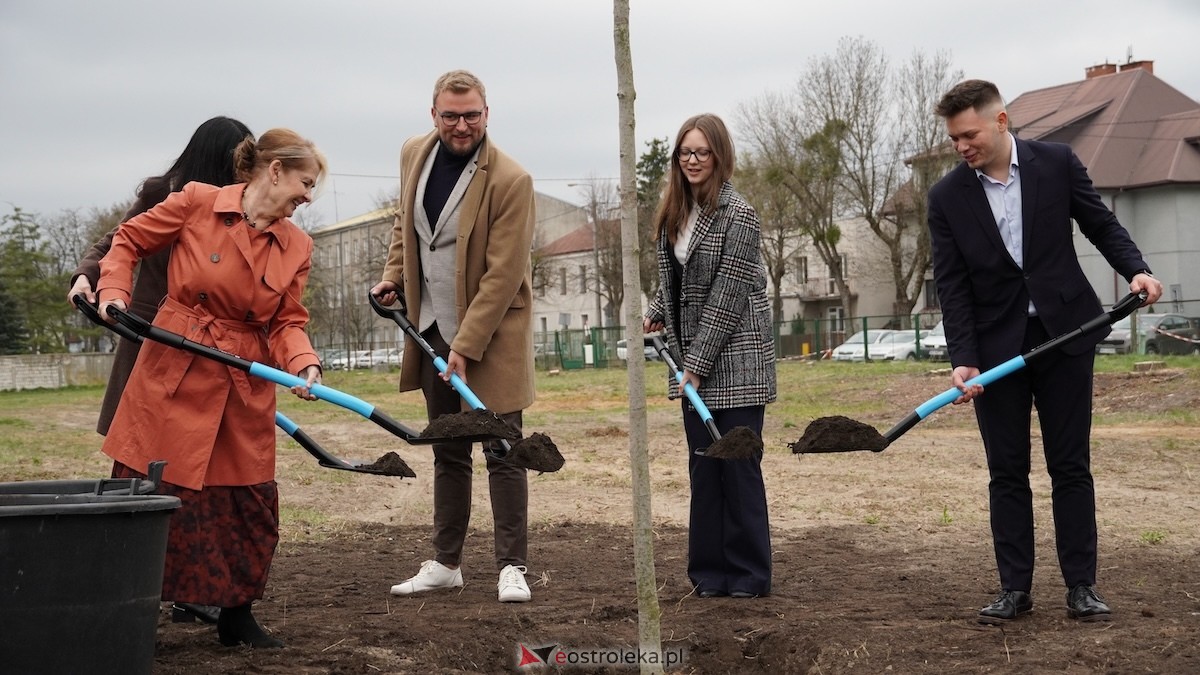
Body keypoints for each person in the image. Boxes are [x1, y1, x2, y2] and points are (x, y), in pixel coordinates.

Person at [927, 79, 1163, 625]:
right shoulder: (945, 198)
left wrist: (1136, 269)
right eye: (954, 139)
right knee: (1006, 471)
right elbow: (952, 284)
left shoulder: (1056, 163)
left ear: (1001, 121)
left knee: (1070, 465)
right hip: (995, 351)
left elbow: (1100, 224)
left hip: (1066, 335)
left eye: (970, 134)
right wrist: (964, 358)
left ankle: (1082, 586)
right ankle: (1015, 589)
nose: (962, 147)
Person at [96, 127, 327, 648]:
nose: (307, 198)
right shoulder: (198, 202)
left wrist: (304, 365)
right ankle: (127, 608)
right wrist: (113, 289)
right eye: (305, 183)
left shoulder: (298, 245)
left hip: (242, 380)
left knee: (247, 502)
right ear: (275, 171)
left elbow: (287, 321)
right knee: (154, 494)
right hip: (175, 366)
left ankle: (235, 615)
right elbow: (128, 240)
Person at [68, 115, 253, 627]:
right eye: (241, 157)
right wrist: (88, 278)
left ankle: (193, 586)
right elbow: (114, 243)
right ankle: (131, 580)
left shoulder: (244, 207)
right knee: (146, 469)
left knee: (205, 477)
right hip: (153, 343)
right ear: (221, 156)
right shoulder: (167, 193)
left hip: (213, 357)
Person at [370, 70, 537, 603]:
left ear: (487, 113)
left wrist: (465, 347)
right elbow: (405, 227)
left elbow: (503, 274)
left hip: (490, 338)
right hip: (429, 330)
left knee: (503, 448)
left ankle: (512, 567)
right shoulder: (413, 155)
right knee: (448, 449)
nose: (461, 125)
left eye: (472, 115)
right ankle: (446, 563)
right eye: (450, 115)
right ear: (433, 114)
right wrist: (393, 276)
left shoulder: (511, 179)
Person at [642, 113, 776, 599]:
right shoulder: (677, 209)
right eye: (684, 152)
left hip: (736, 360)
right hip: (692, 361)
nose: (692, 160)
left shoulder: (738, 214)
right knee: (704, 468)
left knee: (737, 466)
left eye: (701, 152)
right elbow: (678, 279)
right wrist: (659, 310)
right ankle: (709, 575)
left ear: (720, 155)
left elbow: (726, 296)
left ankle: (748, 576)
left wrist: (695, 367)